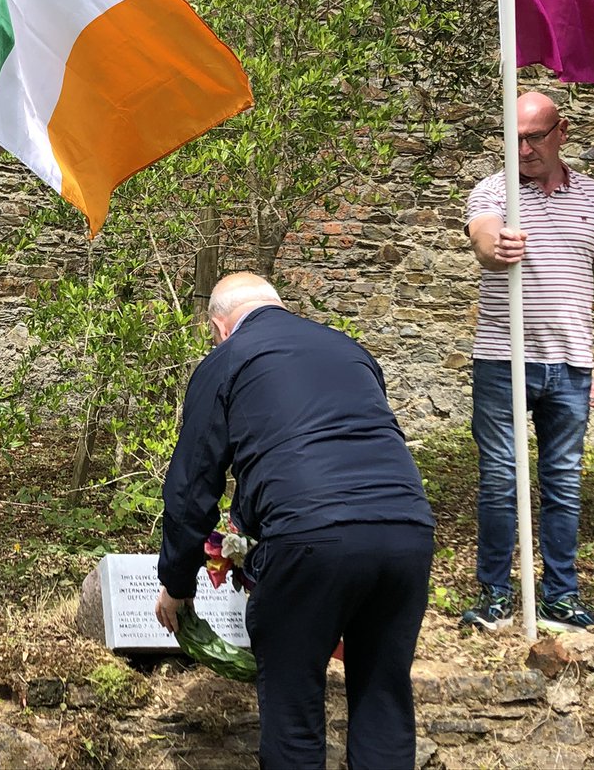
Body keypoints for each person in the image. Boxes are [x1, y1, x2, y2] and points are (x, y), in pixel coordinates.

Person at [154, 272, 436, 770]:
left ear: (220, 328)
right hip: (407, 531)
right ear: (279, 307)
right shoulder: (350, 351)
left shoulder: (226, 361)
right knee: (383, 698)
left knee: (294, 710)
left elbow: (193, 486)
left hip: (312, 536)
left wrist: (176, 583)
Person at [462, 91, 594, 633]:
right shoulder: (494, 189)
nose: (524, 148)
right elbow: (483, 237)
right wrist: (496, 248)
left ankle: (560, 595)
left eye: (534, 136)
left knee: (563, 480)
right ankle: (494, 596)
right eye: (513, 139)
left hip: (572, 365)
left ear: (562, 132)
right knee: (500, 480)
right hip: (502, 362)